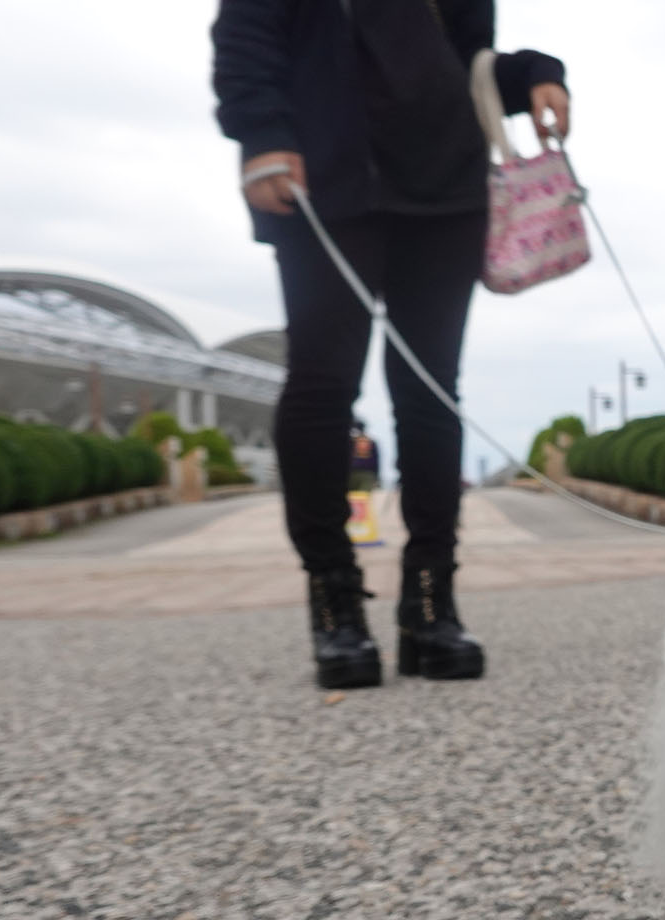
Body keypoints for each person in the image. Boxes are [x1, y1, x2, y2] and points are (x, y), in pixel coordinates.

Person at [211, 0, 570, 687]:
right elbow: (246, 34)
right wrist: (260, 132)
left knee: (433, 391)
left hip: (446, 184)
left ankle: (431, 604)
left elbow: (468, 56)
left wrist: (535, 77)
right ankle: (334, 601)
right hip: (320, 175)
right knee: (322, 385)